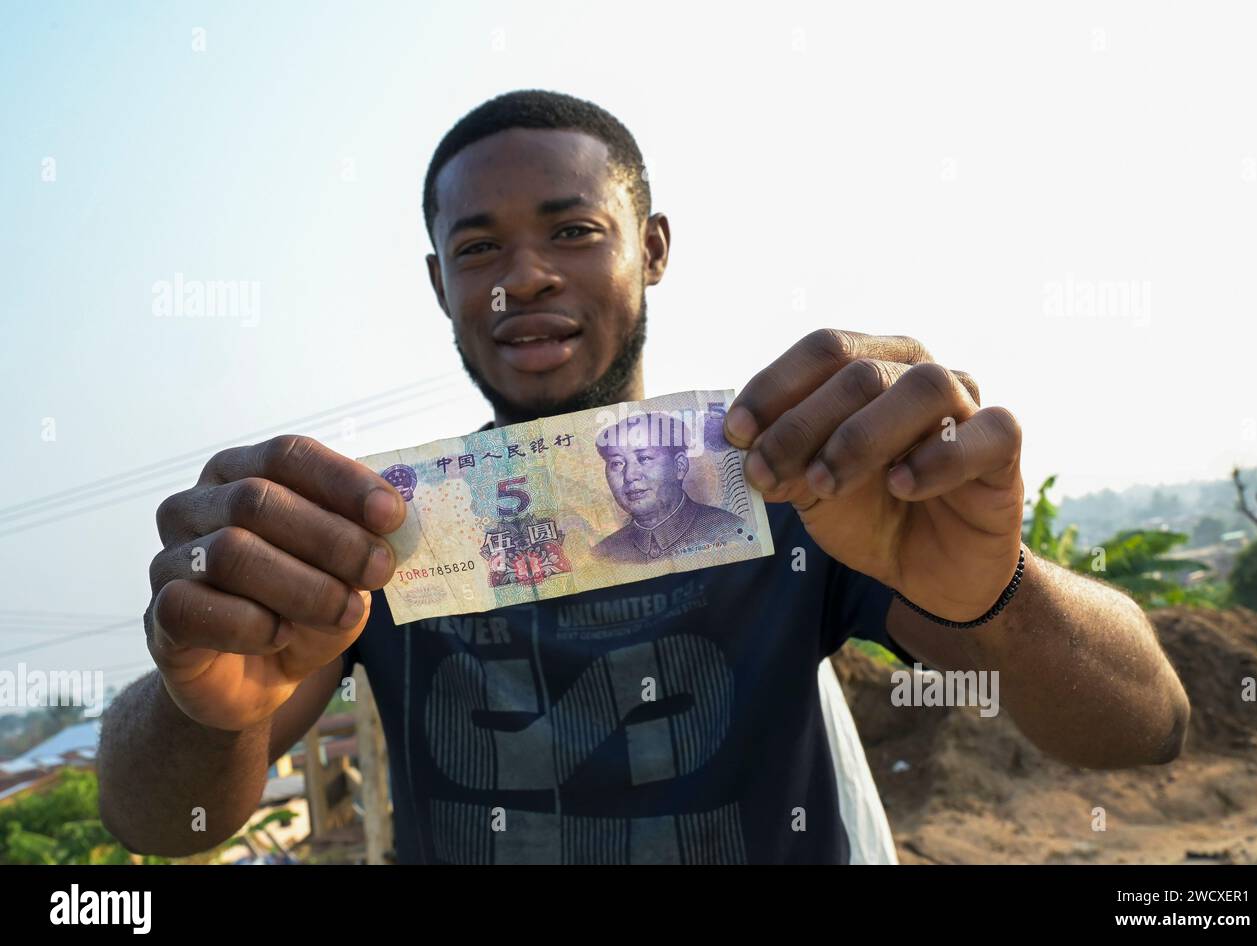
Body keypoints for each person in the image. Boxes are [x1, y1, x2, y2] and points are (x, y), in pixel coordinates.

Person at [99, 89, 1191, 865]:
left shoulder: (803, 491)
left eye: (573, 230)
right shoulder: (373, 536)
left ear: (653, 246)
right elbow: (160, 826)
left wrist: (1002, 600)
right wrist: (205, 708)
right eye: (477, 250)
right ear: (438, 284)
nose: (524, 276)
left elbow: (1145, 727)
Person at [592, 411, 746, 563]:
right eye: (617, 463)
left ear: (679, 466)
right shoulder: (601, 556)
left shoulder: (733, 531)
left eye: (644, 458)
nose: (629, 476)